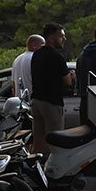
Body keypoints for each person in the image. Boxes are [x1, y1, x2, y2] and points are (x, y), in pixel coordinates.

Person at [29, 23, 73, 161]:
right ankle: (52, 171)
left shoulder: (36, 54)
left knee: (39, 139)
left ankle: (35, 169)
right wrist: (71, 76)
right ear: (52, 37)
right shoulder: (57, 57)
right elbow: (67, 82)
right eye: (61, 36)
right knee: (55, 140)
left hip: (36, 101)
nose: (64, 39)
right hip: (52, 103)